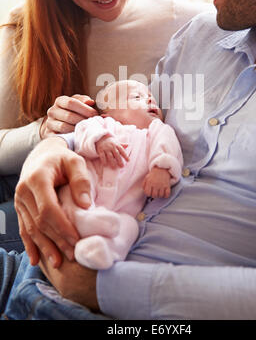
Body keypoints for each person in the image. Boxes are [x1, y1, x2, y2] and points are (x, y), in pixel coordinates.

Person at [2, 0, 256, 320]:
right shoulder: (200, 37)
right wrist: (49, 149)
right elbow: (130, 117)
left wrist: (98, 288)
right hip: (34, 264)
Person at [0, 0, 201, 252]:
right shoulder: (23, 31)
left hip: (138, 210)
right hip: (42, 199)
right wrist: (42, 132)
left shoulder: (189, 25)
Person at [58, 80, 183, 270]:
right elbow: (84, 130)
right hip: (87, 189)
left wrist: (162, 169)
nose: (150, 100)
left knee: (130, 227)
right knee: (69, 192)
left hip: (123, 209)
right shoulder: (103, 124)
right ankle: (81, 219)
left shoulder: (157, 130)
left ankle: (103, 249)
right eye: (137, 97)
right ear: (110, 113)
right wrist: (101, 140)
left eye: (152, 98)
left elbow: (168, 146)